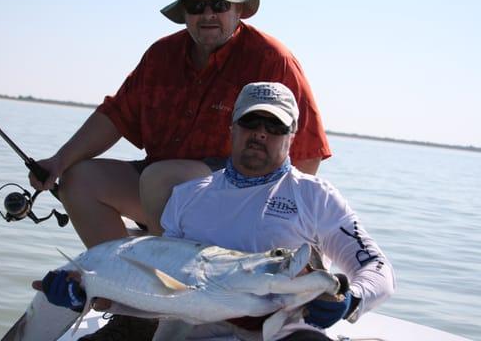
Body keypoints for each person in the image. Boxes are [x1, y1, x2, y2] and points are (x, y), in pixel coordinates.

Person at [30, 0, 331, 339]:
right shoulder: (161, 54)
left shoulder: (272, 59)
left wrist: (275, 218)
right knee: (80, 180)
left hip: (235, 200)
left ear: (239, 10)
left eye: (219, 6)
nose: (207, 14)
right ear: (183, 12)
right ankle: (133, 298)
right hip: (161, 194)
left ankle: (168, 305)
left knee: (164, 177)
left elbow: (307, 150)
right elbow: (116, 115)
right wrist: (59, 161)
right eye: (196, 5)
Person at [36, 82, 394, 341]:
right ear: (232, 128)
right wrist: (83, 293)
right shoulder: (189, 197)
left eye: (274, 127)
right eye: (251, 123)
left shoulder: (315, 196)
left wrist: (351, 300)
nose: (260, 134)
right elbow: (162, 296)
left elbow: (377, 268)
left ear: (292, 136)